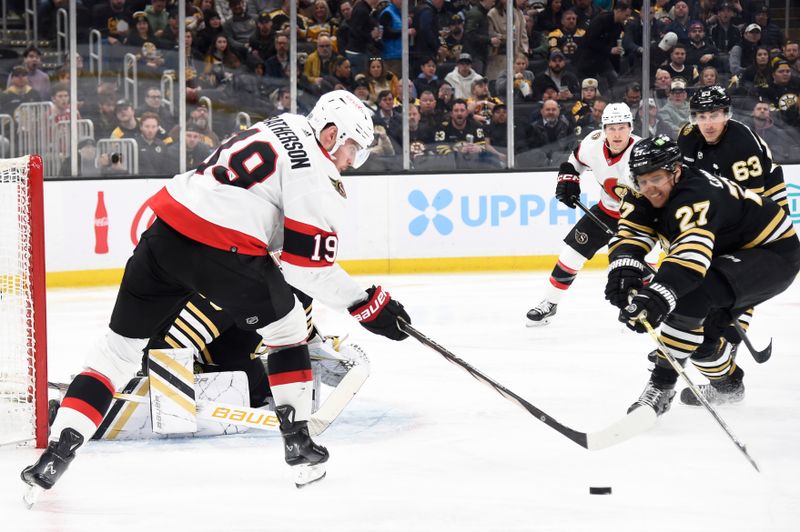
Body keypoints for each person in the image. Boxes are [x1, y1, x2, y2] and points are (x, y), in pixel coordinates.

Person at [20, 90, 413, 497]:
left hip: (164, 234)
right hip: (223, 252)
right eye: (353, 149)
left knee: (115, 353)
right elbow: (305, 269)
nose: (352, 162)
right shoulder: (316, 172)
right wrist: (368, 303)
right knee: (289, 326)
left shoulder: (283, 124)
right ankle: (297, 441)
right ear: (331, 135)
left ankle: (57, 454)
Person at [606, 135, 800, 415]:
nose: (649, 188)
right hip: (725, 252)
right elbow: (633, 232)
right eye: (642, 180)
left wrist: (659, 295)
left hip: (772, 252)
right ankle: (729, 385)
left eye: (656, 179)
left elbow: (690, 255)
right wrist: (624, 268)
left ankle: (661, 386)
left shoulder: (695, 194)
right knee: (700, 339)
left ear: (676, 171)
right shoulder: (641, 192)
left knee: (690, 298)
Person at [525, 103, 642, 326]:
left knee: (634, 265)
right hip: (605, 212)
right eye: (612, 128)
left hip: (638, 219)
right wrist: (570, 177)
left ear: (631, 127)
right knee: (571, 254)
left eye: (622, 128)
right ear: (604, 128)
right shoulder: (593, 143)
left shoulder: (641, 151)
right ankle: (549, 303)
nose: (617, 134)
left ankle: (635, 305)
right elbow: (576, 158)